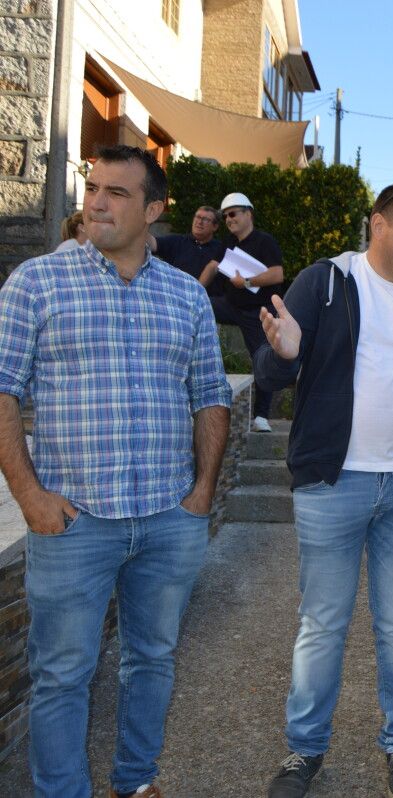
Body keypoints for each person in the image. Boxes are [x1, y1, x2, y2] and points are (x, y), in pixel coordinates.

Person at [0, 145, 232, 798]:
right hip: (72, 522)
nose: (96, 201)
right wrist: (30, 497)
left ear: (156, 210)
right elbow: (2, 390)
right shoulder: (36, 283)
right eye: (92, 187)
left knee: (151, 661)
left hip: (167, 518)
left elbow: (210, 396)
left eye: (117, 193)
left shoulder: (186, 296)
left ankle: (135, 783)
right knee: (62, 675)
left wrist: (201, 496)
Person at [254, 182, 393, 798]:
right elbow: (273, 371)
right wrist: (286, 356)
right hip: (332, 484)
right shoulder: (326, 282)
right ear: (379, 224)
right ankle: (304, 752)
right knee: (322, 623)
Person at [199, 192, 284, 432]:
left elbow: (277, 274)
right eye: (225, 216)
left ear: (249, 214)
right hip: (231, 305)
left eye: (233, 213)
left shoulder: (264, 241)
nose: (228, 219)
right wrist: (195, 291)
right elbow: (212, 266)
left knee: (263, 358)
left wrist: (247, 281)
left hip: (256, 312)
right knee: (200, 307)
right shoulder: (228, 243)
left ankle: (261, 417)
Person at [150, 205, 226, 296]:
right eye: (197, 217)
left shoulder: (221, 249)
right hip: (176, 299)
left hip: (209, 304)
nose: (200, 222)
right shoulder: (177, 242)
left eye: (206, 219)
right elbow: (152, 243)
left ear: (215, 226)